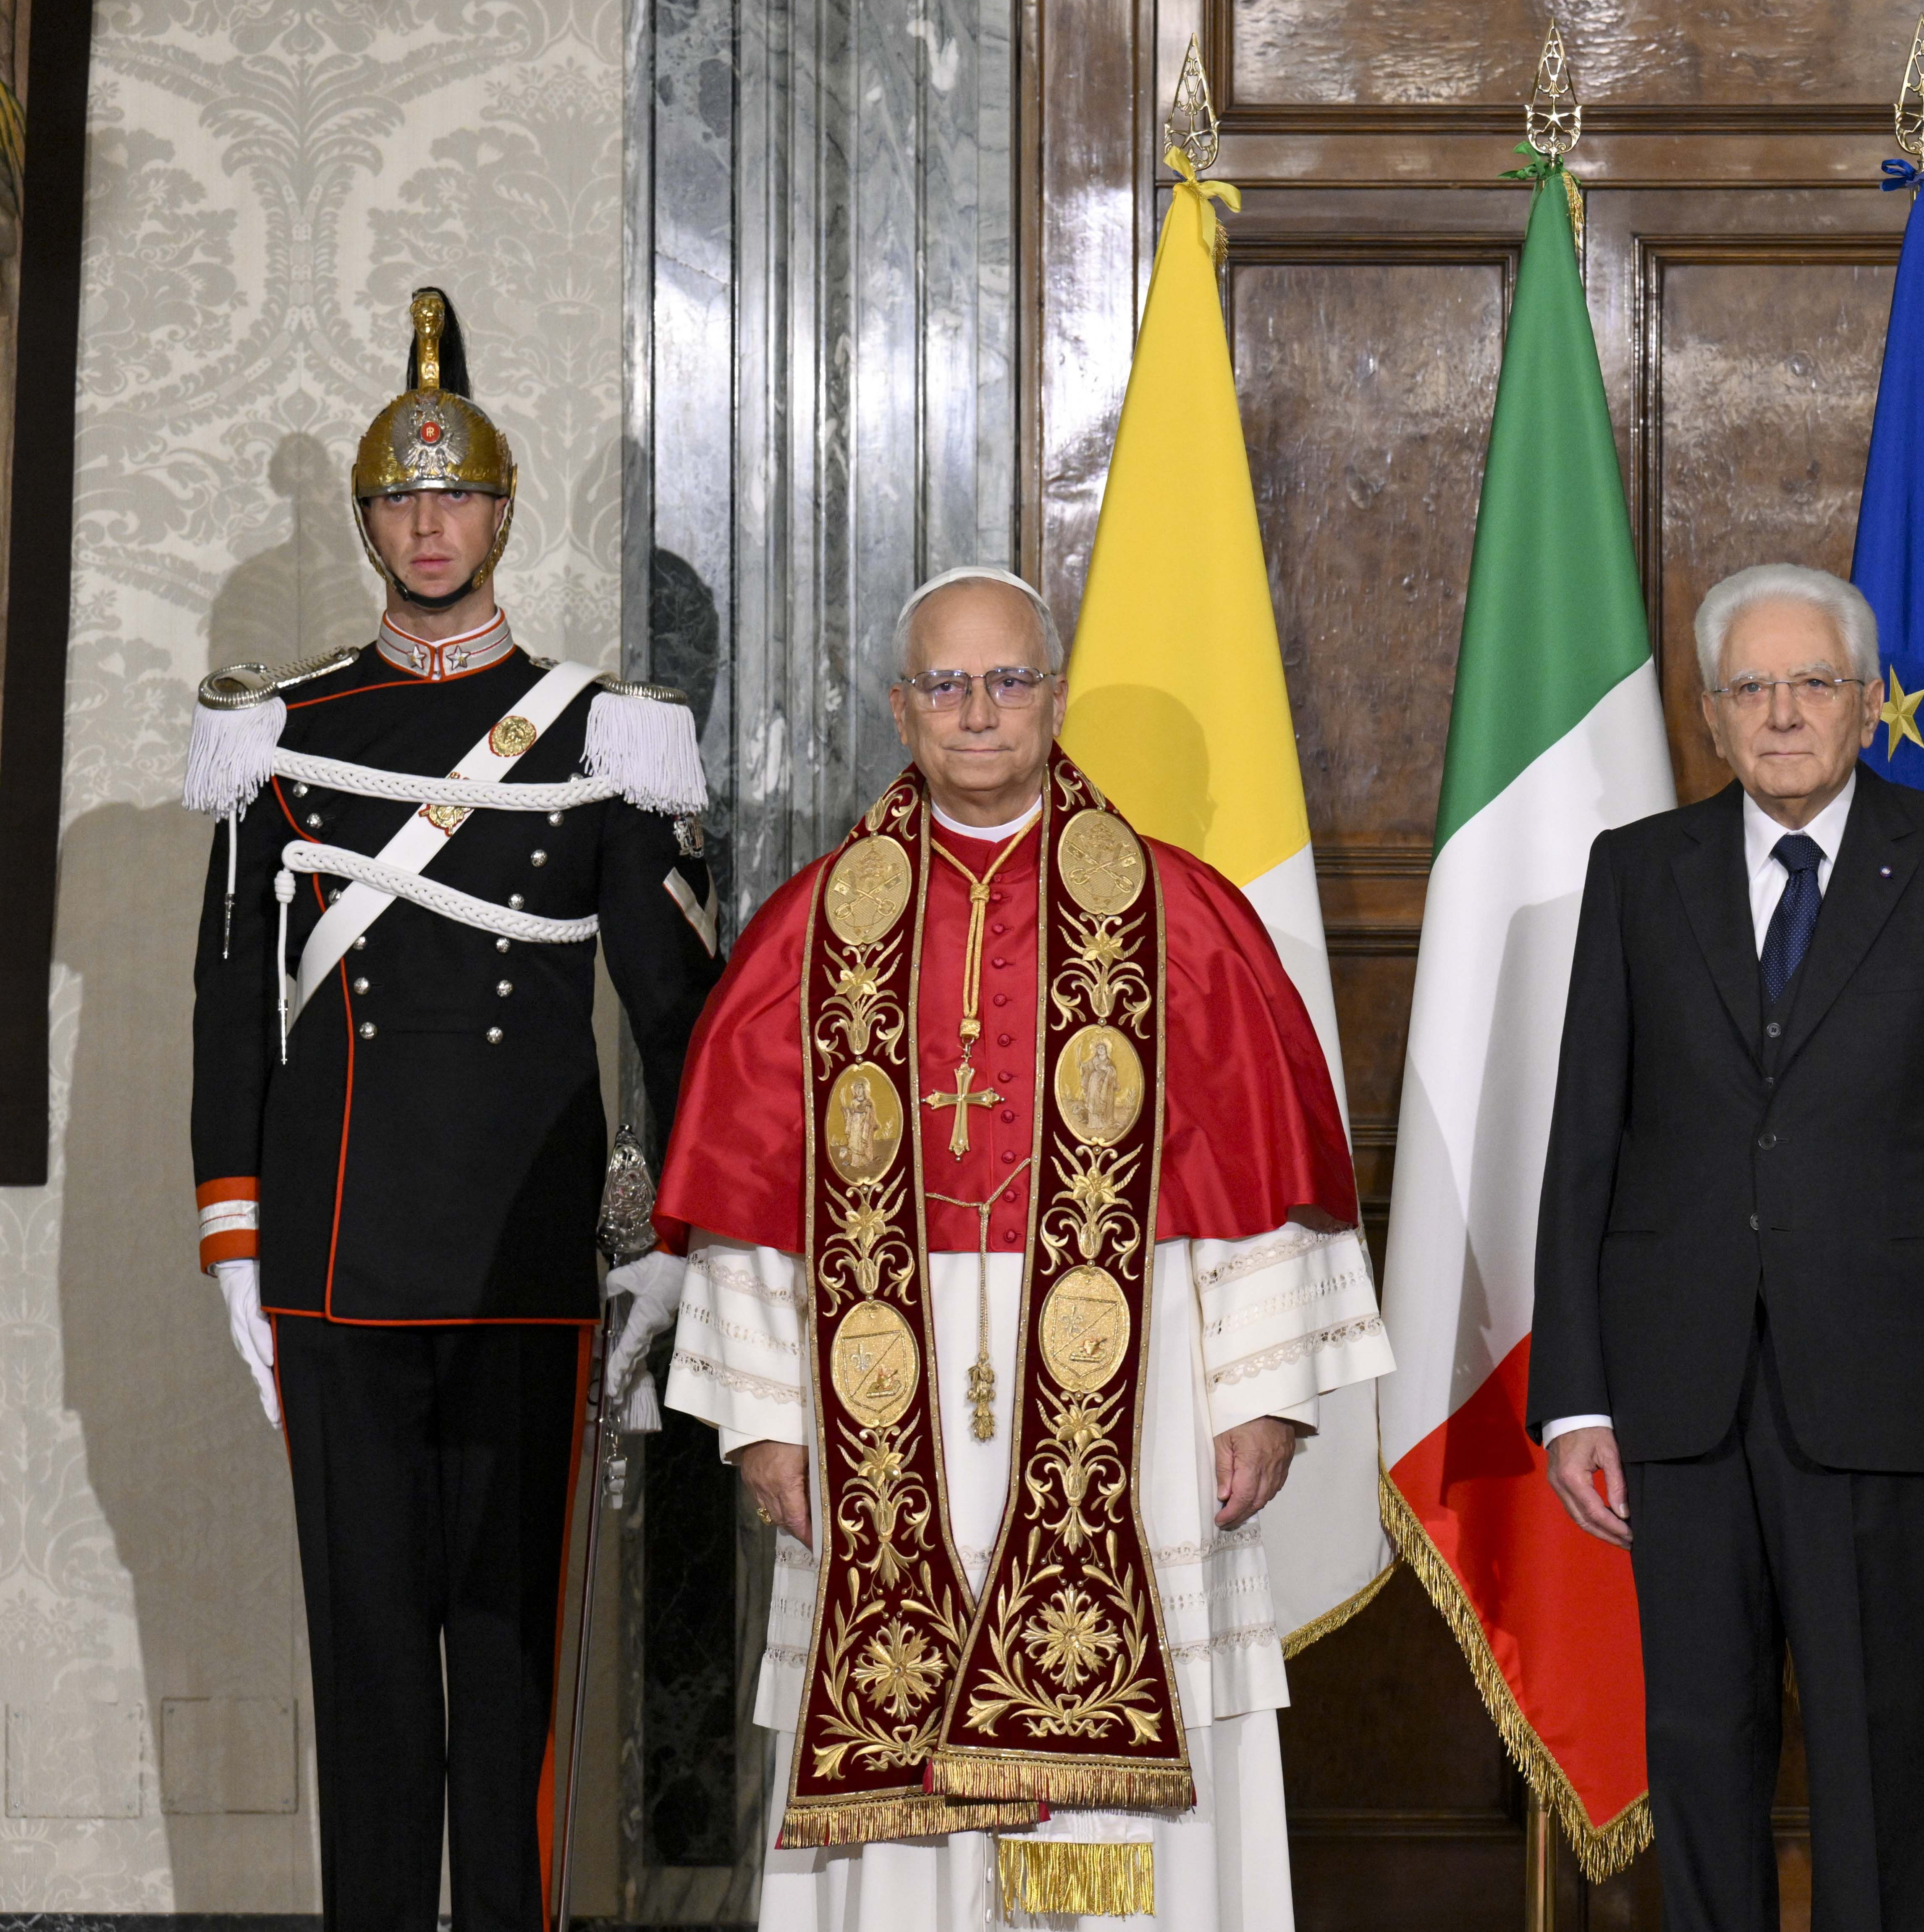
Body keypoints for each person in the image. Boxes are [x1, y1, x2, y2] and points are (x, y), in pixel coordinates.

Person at [656, 567, 1392, 1929]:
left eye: (1008, 682)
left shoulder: (1187, 918)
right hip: (874, 1394)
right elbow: (751, 1209)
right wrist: (764, 1423)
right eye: (947, 684)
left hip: (1148, 1393)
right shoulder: (809, 933)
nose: (978, 712)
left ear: (1054, 698)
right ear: (899, 709)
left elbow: (1260, 1186)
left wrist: (1270, 1401)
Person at [184, 288, 719, 1928]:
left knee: (508, 1667)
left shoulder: (601, 739)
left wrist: (679, 1244)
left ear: (501, 514)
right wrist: (232, 1245)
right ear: (371, 524)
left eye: (456, 496)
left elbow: (679, 1013)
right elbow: (227, 1013)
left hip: (527, 1260)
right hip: (336, 1267)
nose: (431, 525)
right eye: (401, 501)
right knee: (364, 1666)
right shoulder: (284, 739)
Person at [1528, 564, 1924, 1932]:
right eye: (1750, 689)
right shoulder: (1638, 874)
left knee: (1880, 1755)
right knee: (1700, 1751)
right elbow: (1586, 1142)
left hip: (1884, 1389)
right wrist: (1576, 1396)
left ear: (1867, 704)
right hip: (1679, 1395)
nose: (1781, 715)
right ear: (1709, 715)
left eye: (1811, 684)